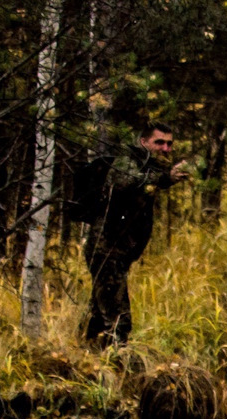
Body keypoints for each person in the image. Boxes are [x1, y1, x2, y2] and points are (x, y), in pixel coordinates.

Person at [83, 121, 190, 346]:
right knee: (118, 318)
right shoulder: (127, 160)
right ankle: (116, 368)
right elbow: (125, 181)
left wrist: (167, 177)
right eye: (159, 142)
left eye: (169, 144)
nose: (166, 148)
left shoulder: (149, 166)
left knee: (99, 312)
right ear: (144, 142)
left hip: (121, 251)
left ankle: (83, 358)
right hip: (106, 249)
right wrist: (163, 179)